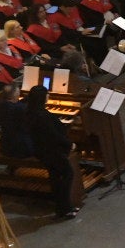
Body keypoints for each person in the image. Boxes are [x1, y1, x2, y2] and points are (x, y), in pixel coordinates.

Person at [24, 84, 80, 220]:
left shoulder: (30, 111)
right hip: (52, 151)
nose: (48, 96)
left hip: (42, 151)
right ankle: (65, 209)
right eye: (47, 94)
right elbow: (54, 135)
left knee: (55, 178)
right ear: (42, 98)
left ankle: (62, 208)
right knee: (67, 175)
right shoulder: (42, 115)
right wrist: (69, 143)